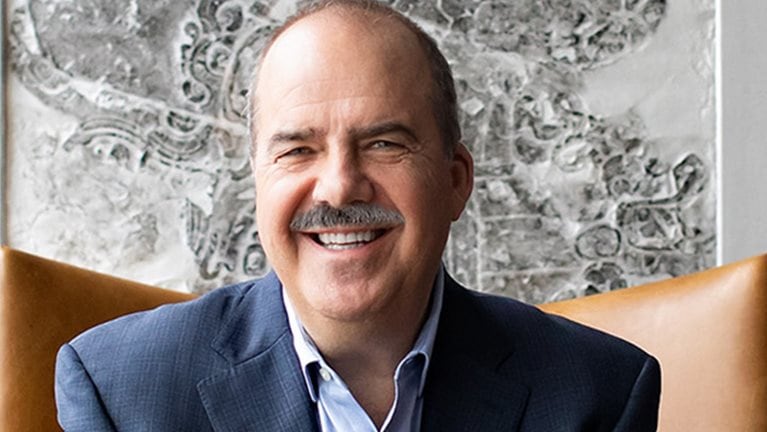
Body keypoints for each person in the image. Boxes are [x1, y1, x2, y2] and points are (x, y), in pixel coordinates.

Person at [55, 1, 661, 430]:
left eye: (384, 143)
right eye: (298, 150)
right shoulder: (120, 392)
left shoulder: (597, 394)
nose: (340, 186)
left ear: (455, 181)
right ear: (259, 183)